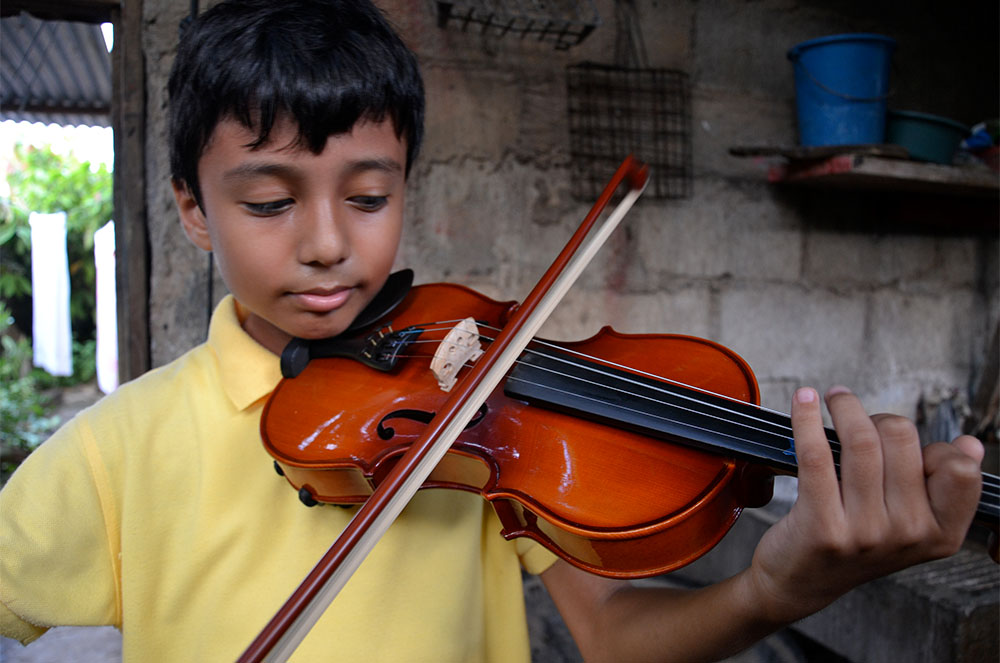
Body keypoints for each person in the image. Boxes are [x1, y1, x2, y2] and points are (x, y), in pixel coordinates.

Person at [1, 1, 985, 661]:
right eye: (268, 202)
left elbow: (610, 636)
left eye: (370, 194)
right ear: (192, 211)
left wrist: (771, 592)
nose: (329, 244)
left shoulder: (478, 421)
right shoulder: (111, 455)